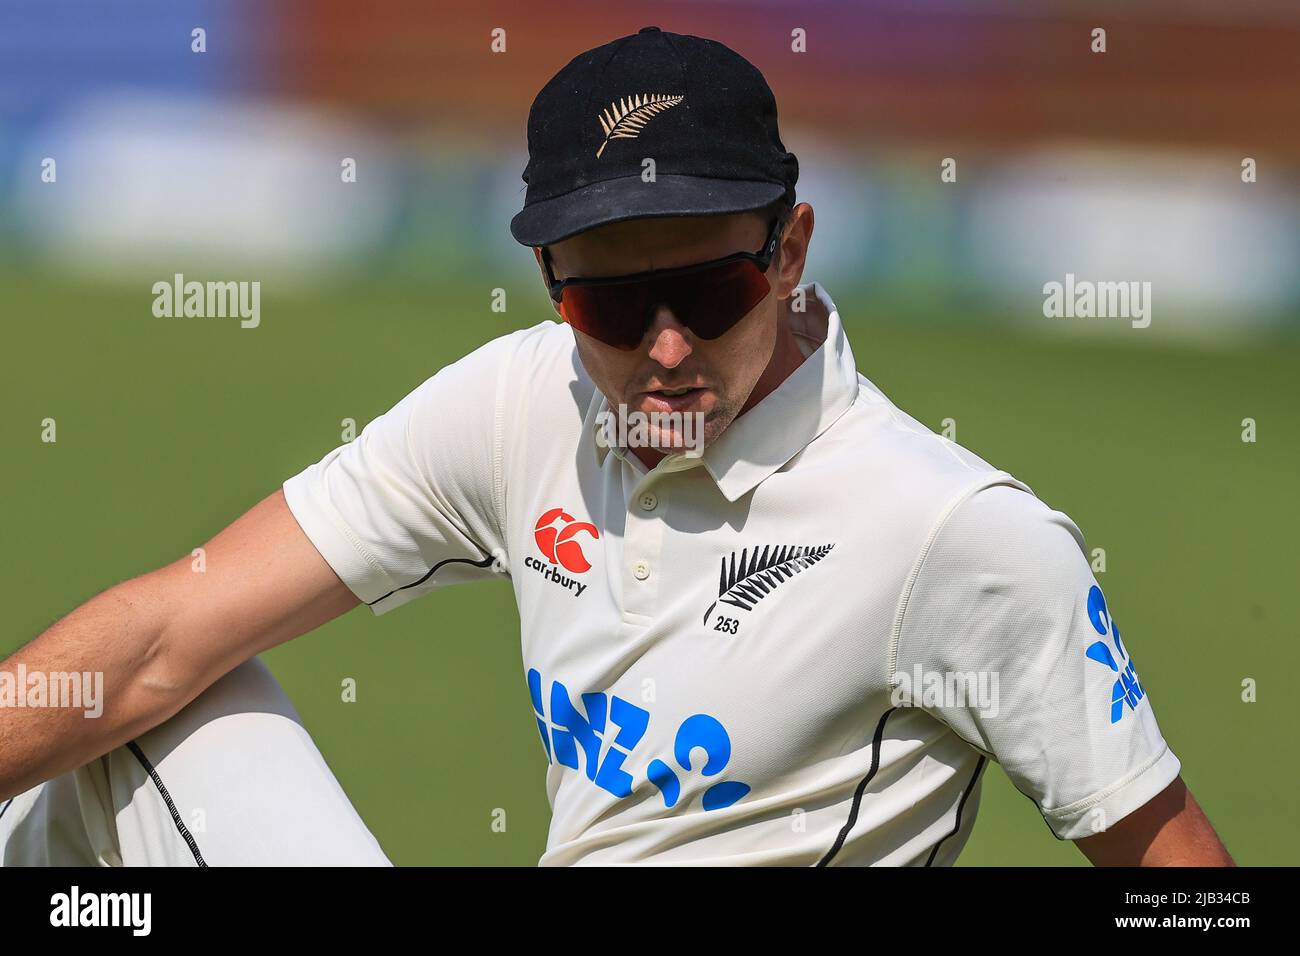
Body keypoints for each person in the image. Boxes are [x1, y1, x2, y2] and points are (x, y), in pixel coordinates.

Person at [0, 27, 1231, 866]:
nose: (661, 351)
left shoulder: (958, 533)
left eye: (706, 294)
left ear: (791, 250)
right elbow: (162, 639)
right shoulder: (518, 401)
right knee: (130, 721)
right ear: (547, 281)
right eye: (604, 305)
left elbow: (1176, 865)